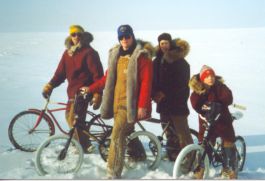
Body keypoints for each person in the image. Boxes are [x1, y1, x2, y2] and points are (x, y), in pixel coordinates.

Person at [97, 24, 153, 179]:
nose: (124, 40)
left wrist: (142, 105)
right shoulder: (116, 55)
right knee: (126, 132)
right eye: (121, 37)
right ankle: (139, 155)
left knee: (116, 136)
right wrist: (90, 88)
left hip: (130, 106)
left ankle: (113, 172)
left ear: (132, 36)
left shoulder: (142, 57)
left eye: (127, 36)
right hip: (116, 103)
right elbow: (107, 78)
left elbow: (146, 83)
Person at [42, 25, 104, 153]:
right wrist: (50, 85)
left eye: (79, 34)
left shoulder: (90, 53)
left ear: (83, 35)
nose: (76, 37)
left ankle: (84, 147)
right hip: (72, 93)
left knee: (75, 119)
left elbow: (98, 76)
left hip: (84, 92)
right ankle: (82, 142)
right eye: (73, 34)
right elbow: (60, 74)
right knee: (70, 118)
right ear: (70, 36)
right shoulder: (67, 53)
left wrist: (97, 93)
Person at [189, 65, 237, 179]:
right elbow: (195, 104)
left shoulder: (219, 87)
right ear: (202, 78)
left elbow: (229, 99)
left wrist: (220, 87)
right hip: (206, 121)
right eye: (207, 76)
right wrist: (206, 107)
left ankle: (229, 169)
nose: (210, 78)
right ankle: (200, 169)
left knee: (228, 141)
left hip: (223, 120)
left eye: (212, 76)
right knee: (205, 144)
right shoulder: (198, 89)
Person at [152, 33, 193, 161]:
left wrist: (164, 93)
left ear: (171, 44)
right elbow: (153, 80)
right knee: (168, 130)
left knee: (182, 133)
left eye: (166, 43)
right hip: (163, 102)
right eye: (161, 43)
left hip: (177, 102)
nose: (164, 45)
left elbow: (180, 84)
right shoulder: (156, 61)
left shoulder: (180, 61)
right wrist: (154, 93)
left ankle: (192, 158)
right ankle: (173, 155)